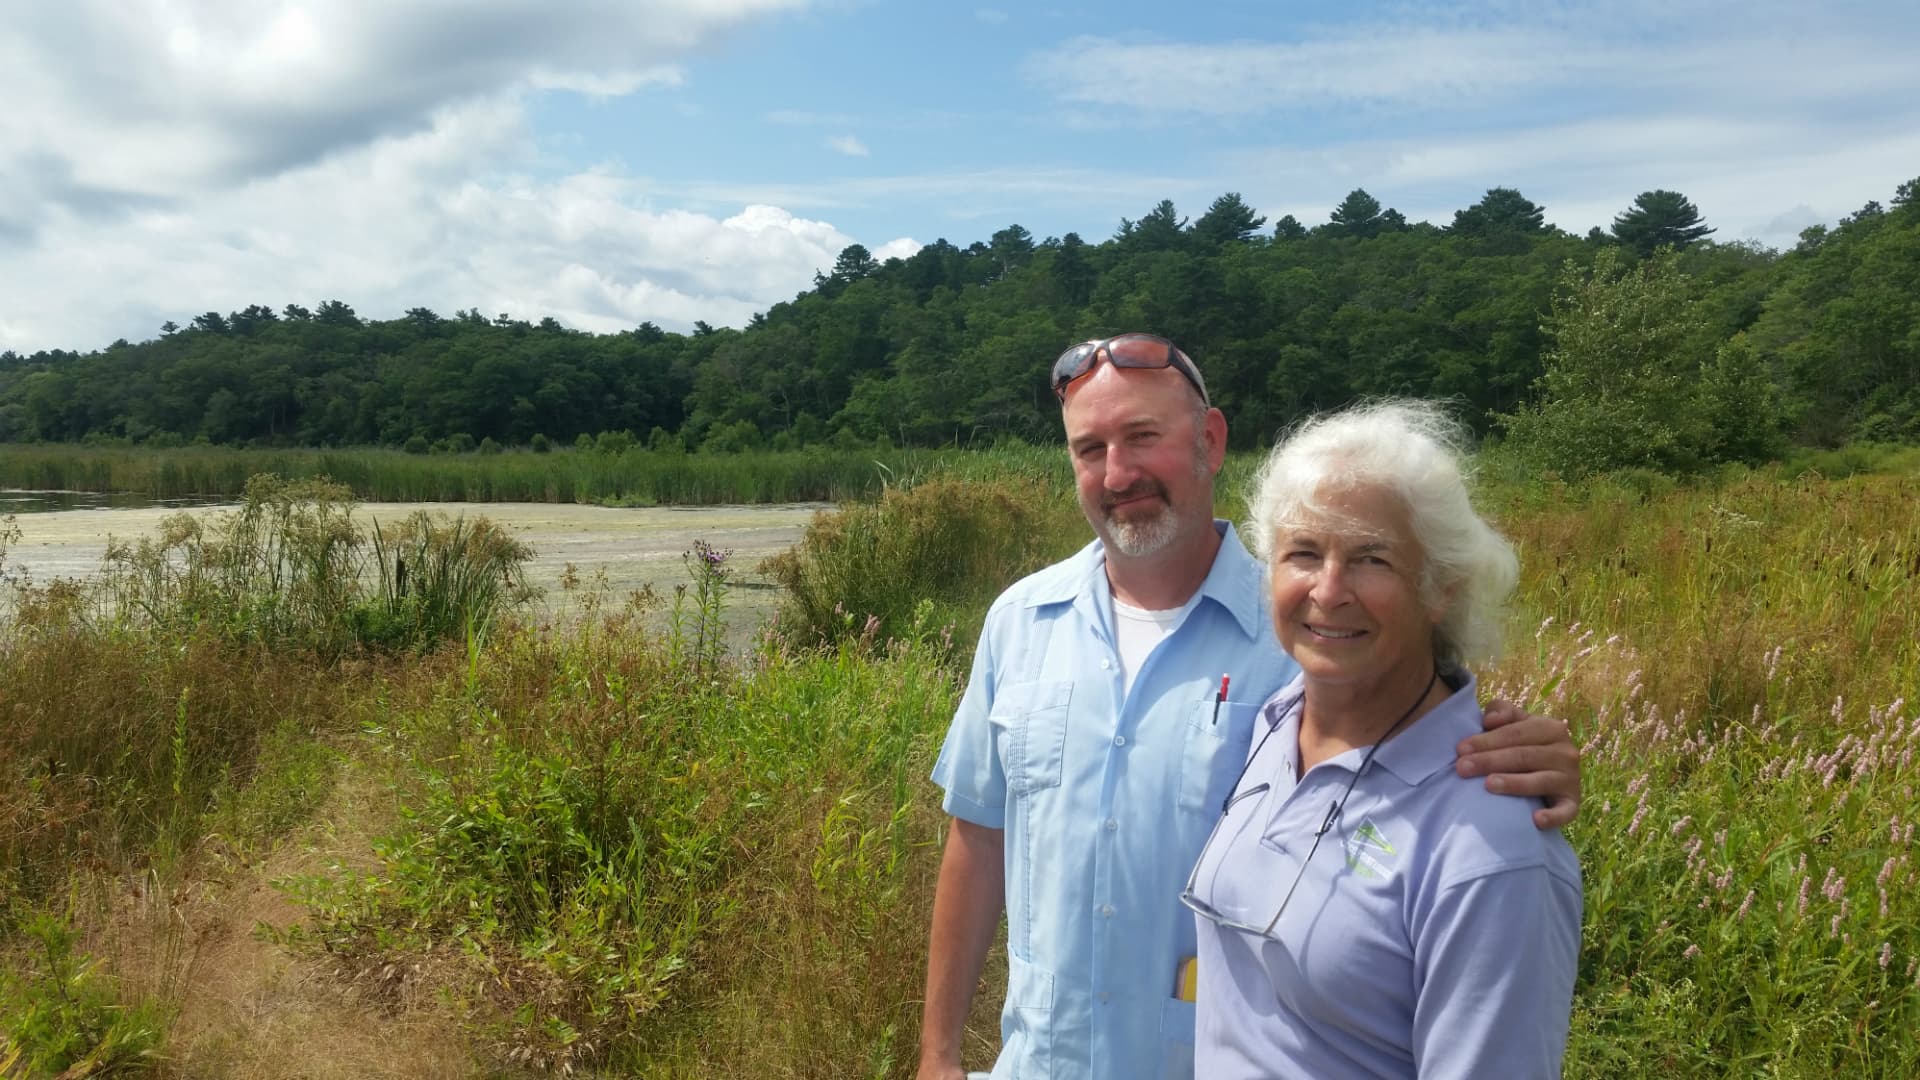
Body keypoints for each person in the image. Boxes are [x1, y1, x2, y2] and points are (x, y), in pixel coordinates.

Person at [918, 335, 1581, 1080]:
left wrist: (1517, 756)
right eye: (1090, 448)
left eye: (1143, 437)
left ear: (1210, 441)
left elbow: (1415, 724)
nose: (1119, 472)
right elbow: (978, 834)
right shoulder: (1020, 620)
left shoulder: (1302, 644)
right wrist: (938, 1056)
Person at [1186, 400, 1581, 1077]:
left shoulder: (1491, 848)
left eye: (1371, 559)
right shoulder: (1275, 727)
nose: (1329, 591)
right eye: (1303, 553)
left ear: (1440, 591)